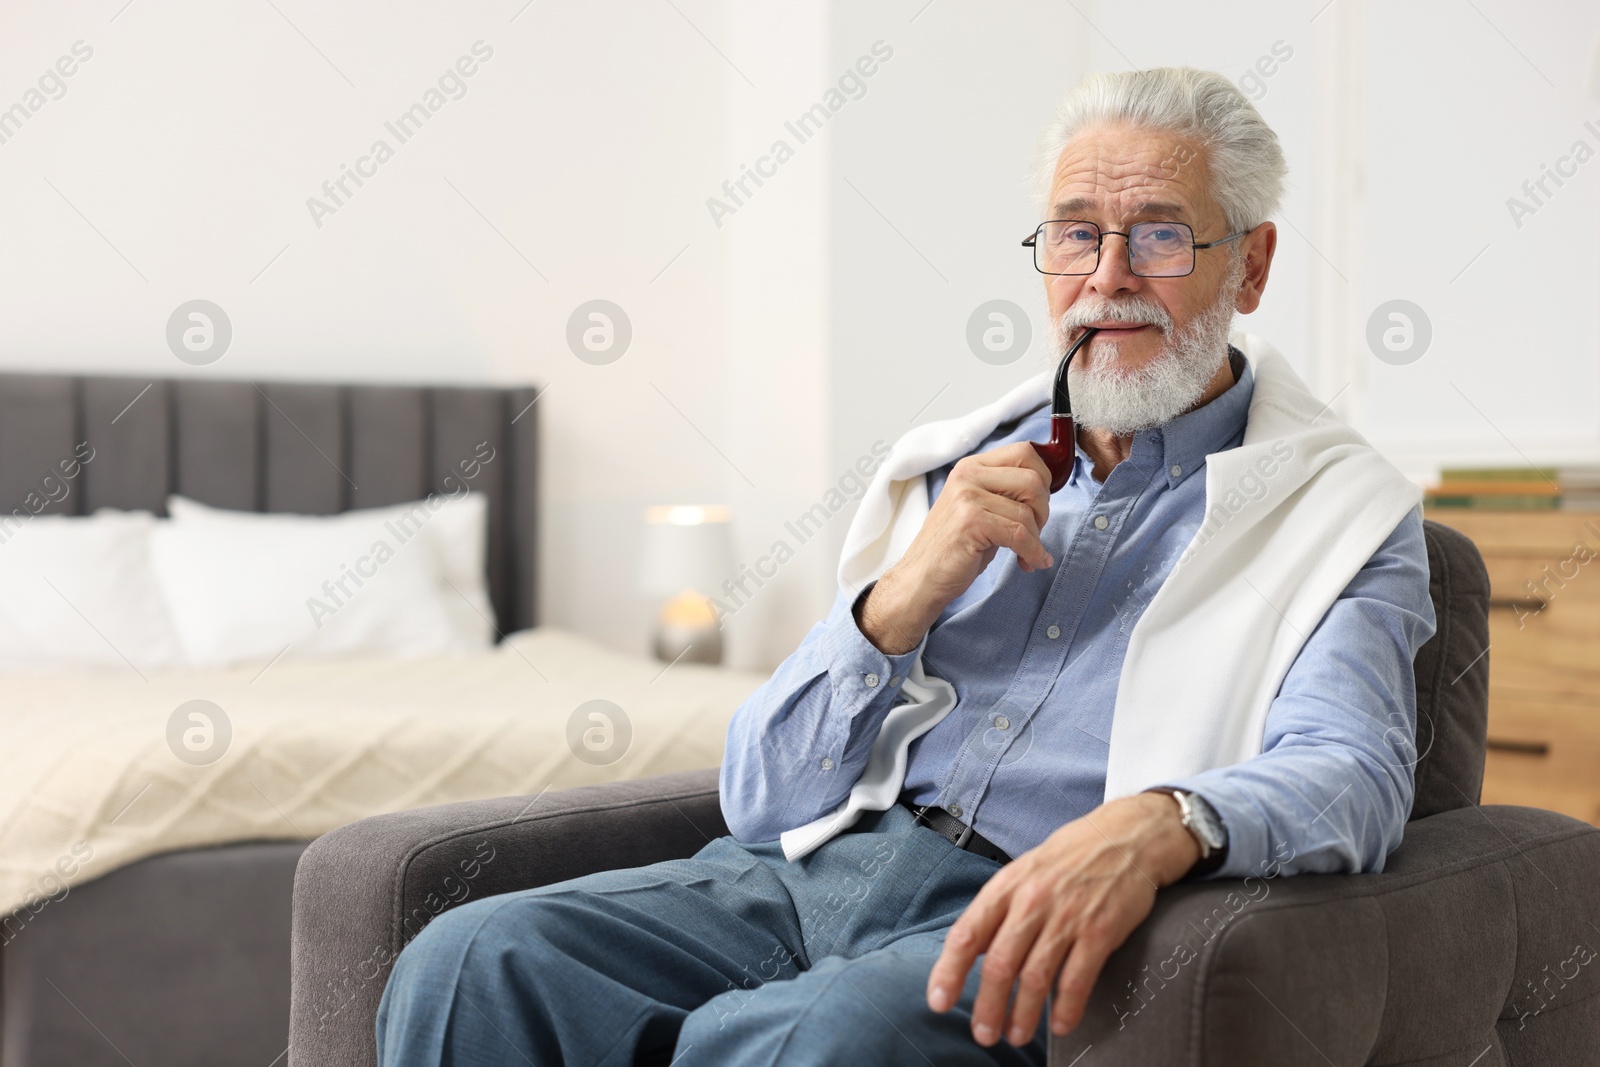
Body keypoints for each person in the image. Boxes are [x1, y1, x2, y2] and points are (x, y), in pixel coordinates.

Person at [375, 66, 1436, 1066]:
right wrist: (894, 602)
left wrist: (1164, 821)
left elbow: (1357, 771)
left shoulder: (1339, 512)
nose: (1107, 280)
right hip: (804, 873)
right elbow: (758, 796)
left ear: (1249, 265)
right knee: (468, 959)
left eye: (1158, 235)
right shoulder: (947, 474)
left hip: (1014, 910)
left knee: (817, 1039)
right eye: (1075, 234)